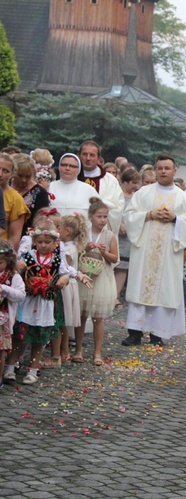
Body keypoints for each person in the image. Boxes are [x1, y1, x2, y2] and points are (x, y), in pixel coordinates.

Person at [121, 154, 186, 347]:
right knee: (140, 288)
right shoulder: (144, 193)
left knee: (163, 291)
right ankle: (135, 332)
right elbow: (129, 215)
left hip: (168, 254)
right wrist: (149, 214)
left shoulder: (183, 197)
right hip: (145, 252)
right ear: (155, 170)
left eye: (167, 168)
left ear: (174, 171)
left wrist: (175, 219)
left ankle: (158, 333)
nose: (163, 171)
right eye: (160, 168)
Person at [4, 220, 91, 384]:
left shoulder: (57, 260)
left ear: (55, 243)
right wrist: (17, 264)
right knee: (20, 335)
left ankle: (33, 369)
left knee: (40, 337)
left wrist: (76, 275)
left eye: (47, 242)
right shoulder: (28, 256)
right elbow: (15, 266)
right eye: (40, 242)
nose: (43, 245)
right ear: (34, 242)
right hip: (28, 301)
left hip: (45, 303)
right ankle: (10, 367)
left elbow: (67, 272)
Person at [76, 199, 119, 366]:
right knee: (81, 315)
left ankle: (97, 353)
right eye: (99, 216)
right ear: (90, 217)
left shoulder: (109, 235)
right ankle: (78, 349)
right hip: (85, 276)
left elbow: (115, 258)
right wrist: (85, 249)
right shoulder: (83, 234)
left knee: (98, 317)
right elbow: (76, 253)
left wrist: (105, 252)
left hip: (102, 278)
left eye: (105, 217)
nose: (102, 220)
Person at [57, 213, 87, 364]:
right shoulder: (73, 246)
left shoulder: (67, 249)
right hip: (71, 284)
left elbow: (66, 267)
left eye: (59, 228)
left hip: (66, 284)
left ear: (66, 231)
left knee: (63, 320)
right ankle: (64, 350)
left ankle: (64, 350)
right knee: (63, 321)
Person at [77, 141, 124, 233]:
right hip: (76, 228)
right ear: (79, 156)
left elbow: (118, 206)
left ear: (98, 158)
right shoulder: (72, 178)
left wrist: (99, 204)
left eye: (92, 155)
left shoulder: (110, 181)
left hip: (100, 232)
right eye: (84, 154)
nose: (88, 158)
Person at [0, 240, 25, 390]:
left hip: (3, 321)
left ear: (8, 261)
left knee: (1, 351)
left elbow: (21, 295)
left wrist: (5, 289)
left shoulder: (13, 277)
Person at [115, 169, 140, 307]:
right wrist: (118, 223)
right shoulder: (117, 195)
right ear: (125, 182)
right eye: (133, 182)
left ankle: (116, 295)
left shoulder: (136, 197)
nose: (136, 186)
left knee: (123, 267)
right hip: (115, 235)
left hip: (128, 238)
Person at [49, 153, 100, 217]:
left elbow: (98, 213)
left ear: (79, 169)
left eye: (72, 166)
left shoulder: (88, 190)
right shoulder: (49, 187)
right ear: (59, 167)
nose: (67, 168)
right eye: (64, 165)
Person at [13, 152, 50, 234]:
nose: (24, 180)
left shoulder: (40, 193)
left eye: (28, 176)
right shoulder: (5, 187)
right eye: (20, 175)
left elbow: (41, 221)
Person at [0, 153, 30, 251]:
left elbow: (15, 236)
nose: (0, 174)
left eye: (5, 171)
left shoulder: (15, 199)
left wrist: (9, 259)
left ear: (12, 174)